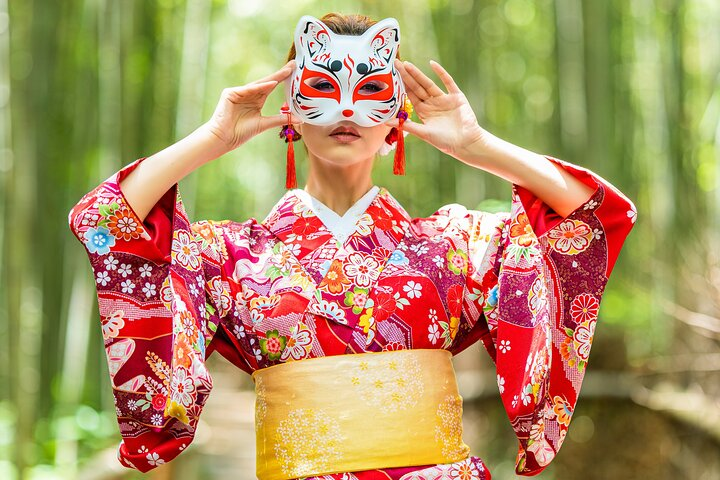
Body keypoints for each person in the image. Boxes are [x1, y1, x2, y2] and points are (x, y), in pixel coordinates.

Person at [67, 12, 637, 480]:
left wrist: (478, 145)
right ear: (290, 107)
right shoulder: (230, 257)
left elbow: (591, 219)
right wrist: (211, 139)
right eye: (321, 86)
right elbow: (102, 225)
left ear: (396, 116)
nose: (346, 109)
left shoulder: (456, 244)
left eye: (370, 90)